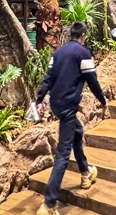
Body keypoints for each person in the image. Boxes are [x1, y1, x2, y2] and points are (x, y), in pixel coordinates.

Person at [35, 21, 108, 215]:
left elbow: (48, 77)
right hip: (68, 106)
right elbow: (92, 80)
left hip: (57, 104)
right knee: (62, 155)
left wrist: (39, 97)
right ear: (83, 35)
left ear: (70, 34)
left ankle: (85, 172)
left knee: (77, 131)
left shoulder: (58, 52)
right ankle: (48, 204)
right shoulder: (83, 53)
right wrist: (102, 100)